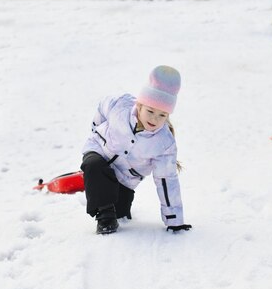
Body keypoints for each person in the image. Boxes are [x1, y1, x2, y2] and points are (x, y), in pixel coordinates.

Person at [80, 66, 192, 235]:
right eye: (150, 111)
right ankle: (105, 218)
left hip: (123, 180)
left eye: (162, 115)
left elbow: (166, 180)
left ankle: (111, 205)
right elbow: (102, 107)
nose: (155, 119)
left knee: (121, 212)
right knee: (93, 166)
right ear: (139, 105)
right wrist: (96, 131)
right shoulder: (121, 105)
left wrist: (174, 220)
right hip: (99, 153)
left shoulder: (164, 143)